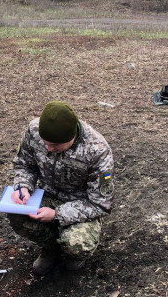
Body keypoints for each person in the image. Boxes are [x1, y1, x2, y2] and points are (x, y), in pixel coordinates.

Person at [8, 101, 114, 275]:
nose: (49, 149)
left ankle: (72, 253)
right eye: (45, 143)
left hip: (81, 204)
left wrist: (57, 214)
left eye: (55, 146)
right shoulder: (34, 131)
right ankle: (50, 247)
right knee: (16, 214)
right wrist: (23, 186)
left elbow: (100, 204)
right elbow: (24, 164)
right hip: (46, 194)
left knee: (77, 245)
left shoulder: (97, 151)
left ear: (71, 138)